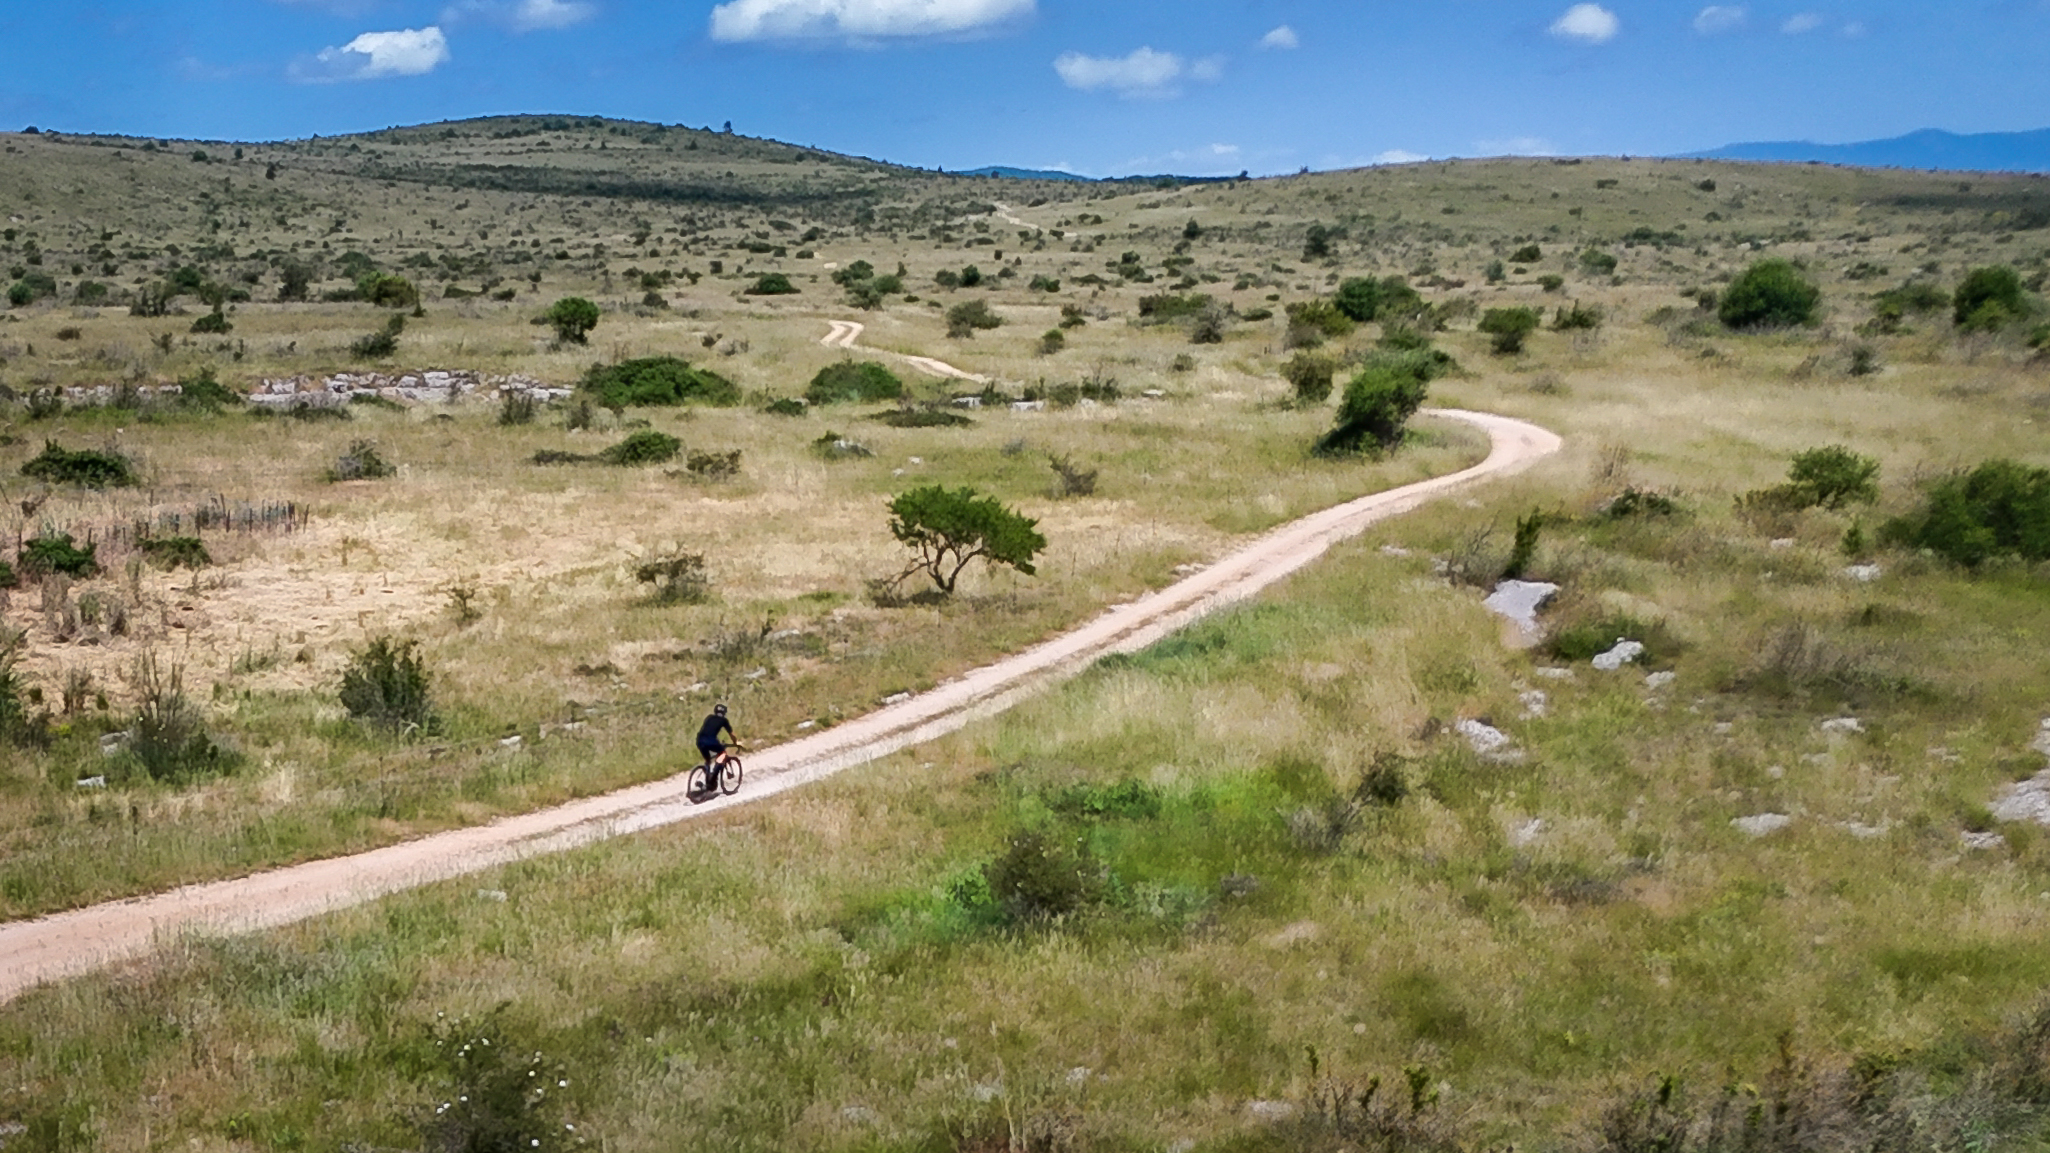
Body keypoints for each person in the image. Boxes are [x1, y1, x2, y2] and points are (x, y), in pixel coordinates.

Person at [696, 703, 737, 781]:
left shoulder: (709, 717)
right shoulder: (724, 720)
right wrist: (735, 742)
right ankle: (713, 776)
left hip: (700, 740)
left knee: (708, 760)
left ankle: (707, 778)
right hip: (711, 741)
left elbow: (708, 730)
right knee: (722, 753)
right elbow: (732, 734)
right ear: (724, 713)